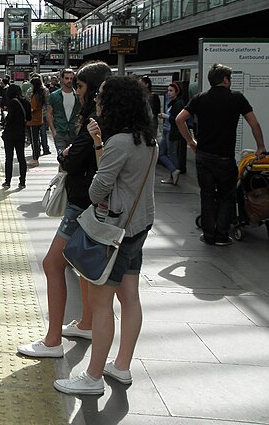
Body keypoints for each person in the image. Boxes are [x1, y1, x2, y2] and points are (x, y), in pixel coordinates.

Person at [53, 76, 157, 395]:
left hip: (115, 231)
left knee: (101, 304)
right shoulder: (148, 139)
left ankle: (93, 377)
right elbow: (122, 178)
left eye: (100, 96)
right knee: (130, 297)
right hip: (140, 224)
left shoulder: (120, 142)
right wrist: (99, 144)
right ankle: (121, 367)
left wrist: (102, 153)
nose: (97, 101)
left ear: (113, 103)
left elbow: (100, 188)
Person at [18, 61, 112, 359]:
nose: (77, 91)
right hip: (92, 203)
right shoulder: (110, 118)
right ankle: (85, 323)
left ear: (94, 89)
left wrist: (64, 153)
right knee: (81, 266)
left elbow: (71, 163)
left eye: (81, 86)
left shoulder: (94, 121)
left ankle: (52, 340)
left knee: (53, 265)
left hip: (80, 205)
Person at [175, 63, 266, 246]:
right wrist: (260, 147)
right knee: (226, 196)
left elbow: (179, 119)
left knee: (207, 195)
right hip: (224, 157)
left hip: (203, 156)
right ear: (225, 80)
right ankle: (222, 237)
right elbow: (254, 124)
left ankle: (208, 236)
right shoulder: (237, 98)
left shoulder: (200, 98)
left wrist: (190, 141)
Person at [1, 84, 30, 188]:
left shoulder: (12, 103)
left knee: (9, 158)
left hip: (10, 133)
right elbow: (29, 118)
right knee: (21, 157)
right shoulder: (26, 102)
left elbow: (9, 119)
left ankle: (8, 181)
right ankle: (22, 182)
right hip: (21, 133)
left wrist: (5, 116)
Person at [46, 68, 80, 153]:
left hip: (74, 132)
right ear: (62, 79)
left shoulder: (78, 96)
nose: (69, 81)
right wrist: (53, 130)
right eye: (67, 78)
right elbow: (49, 113)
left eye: (71, 78)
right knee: (61, 158)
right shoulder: (54, 96)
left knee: (73, 159)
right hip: (60, 132)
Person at [158, 82, 185, 185]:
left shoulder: (178, 104)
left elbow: (177, 119)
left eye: (171, 91)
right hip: (167, 130)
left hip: (172, 131)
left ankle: (173, 173)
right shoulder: (172, 102)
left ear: (176, 92)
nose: (169, 93)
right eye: (168, 91)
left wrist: (165, 116)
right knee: (162, 153)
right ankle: (174, 171)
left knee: (171, 153)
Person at [26, 77, 46, 165]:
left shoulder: (35, 96)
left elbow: (32, 108)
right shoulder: (41, 94)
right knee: (36, 139)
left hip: (33, 120)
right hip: (39, 119)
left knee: (34, 140)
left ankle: (35, 158)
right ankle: (36, 157)